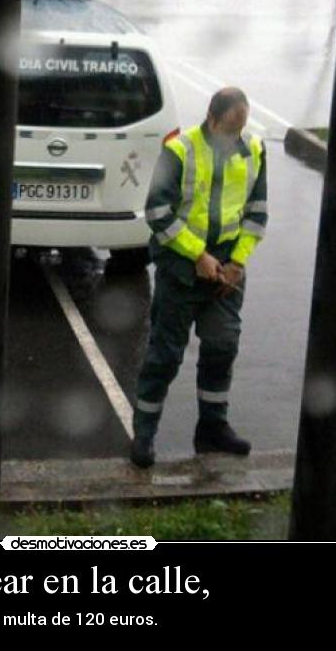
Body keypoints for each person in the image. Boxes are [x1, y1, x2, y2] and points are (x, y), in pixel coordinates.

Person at [130, 87, 268, 468]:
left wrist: (237, 262)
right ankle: (144, 433)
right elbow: (157, 212)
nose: (234, 135)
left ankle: (212, 430)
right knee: (165, 355)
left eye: (240, 128)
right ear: (211, 119)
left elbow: (257, 213)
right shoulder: (180, 149)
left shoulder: (253, 150)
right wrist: (198, 254)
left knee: (222, 347)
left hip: (226, 271)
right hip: (181, 269)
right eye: (228, 128)